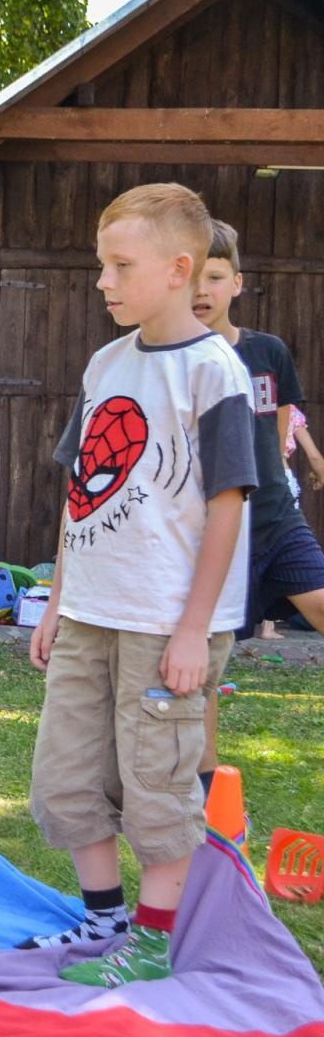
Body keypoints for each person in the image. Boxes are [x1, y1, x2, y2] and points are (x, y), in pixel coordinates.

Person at [23, 183, 256, 987]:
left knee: (157, 788)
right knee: (66, 777)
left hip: (166, 623)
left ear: (179, 269)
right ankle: (103, 924)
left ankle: (151, 952)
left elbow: (228, 506)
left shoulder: (215, 372)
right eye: (102, 265)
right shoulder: (103, 364)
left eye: (120, 265)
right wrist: (57, 599)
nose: (104, 282)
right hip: (90, 611)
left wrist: (194, 629)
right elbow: (79, 487)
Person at [190, 220, 324, 787]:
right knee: (209, 661)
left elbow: (279, 425)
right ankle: (206, 784)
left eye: (215, 277)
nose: (202, 288)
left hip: (275, 518)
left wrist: (294, 472)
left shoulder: (268, 351)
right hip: (217, 534)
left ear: (237, 283)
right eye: (192, 276)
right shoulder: (179, 360)